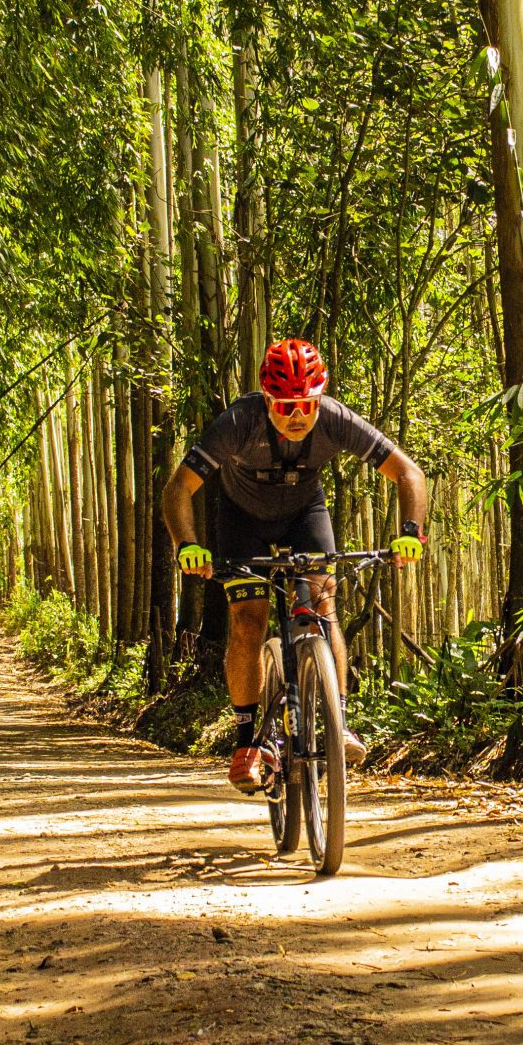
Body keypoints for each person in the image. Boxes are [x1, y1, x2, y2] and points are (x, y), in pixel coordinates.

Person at [160, 337, 429, 793]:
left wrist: (410, 532)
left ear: (319, 399)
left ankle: (338, 724)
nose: (297, 416)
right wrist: (187, 544)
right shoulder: (239, 422)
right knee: (248, 621)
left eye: (306, 405)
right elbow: (178, 488)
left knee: (324, 605)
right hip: (241, 520)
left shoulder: (335, 419)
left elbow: (409, 472)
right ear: (267, 400)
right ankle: (247, 742)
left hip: (305, 514)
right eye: (285, 407)